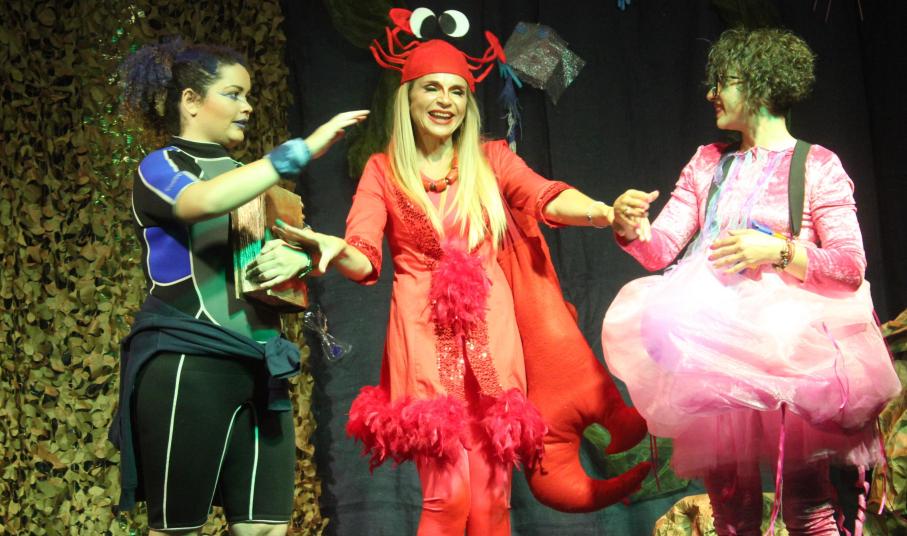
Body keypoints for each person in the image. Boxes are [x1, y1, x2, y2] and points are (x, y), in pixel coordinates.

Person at [271, 15, 649, 536]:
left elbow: (545, 196)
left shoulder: (491, 159)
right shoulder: (383, 170)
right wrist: (334, 250)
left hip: (493, 341)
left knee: (493, 506)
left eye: (456, 91)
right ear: (407, 98)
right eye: (431, 88)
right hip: (424, 341)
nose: (444, 101)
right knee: (447, 501)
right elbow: (364, 258)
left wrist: (604, 212)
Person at [604, 28, 900, 535]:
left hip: (789, 352)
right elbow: (661, 249)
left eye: (723, 81)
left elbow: (850, 265)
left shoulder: (817, 165)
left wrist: (778, 251)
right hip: (715, 351)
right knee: (730, 511)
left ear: (759, 83)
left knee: (807, 507)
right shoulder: (708, 162)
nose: (711, 94)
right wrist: (630, 226)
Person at [109, 38, 368, 536]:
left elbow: (298, 265)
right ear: (191, 101)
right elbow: (201, 203)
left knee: (266, 527)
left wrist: (299, 258)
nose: (247, 107)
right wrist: (299, 151)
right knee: (177, 529)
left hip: (262, 367)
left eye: (248, 96)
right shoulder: (162, 166)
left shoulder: (252, 178)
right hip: (191, 360)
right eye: (233, 94)